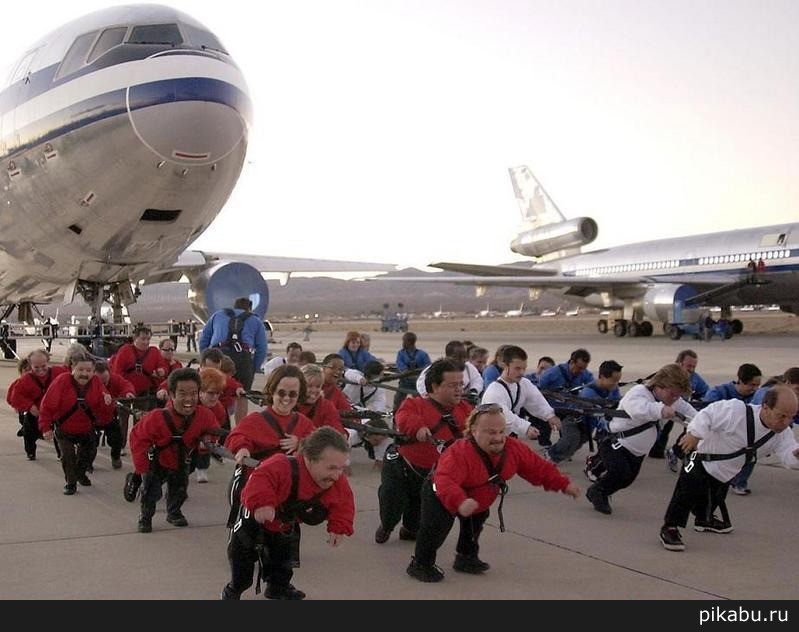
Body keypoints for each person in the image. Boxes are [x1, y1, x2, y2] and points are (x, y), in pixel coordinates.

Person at [406, 403, 580, 582]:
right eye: (491, 432)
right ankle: (421, 564)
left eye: (501, 431)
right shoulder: (459, 453)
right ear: (474, 431)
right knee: (435, 528)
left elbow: (539, 468)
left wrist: (563, 484)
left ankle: (465, 558)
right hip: (441, 495)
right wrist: (460, 501)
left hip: (476, 500)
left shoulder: (514, 449)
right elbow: (445, 480)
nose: (498, 437)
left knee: (475, 524)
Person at [659, 385, 799, 552]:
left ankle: (704, 520)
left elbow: (788, 457)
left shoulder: (782, 434)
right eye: (781, 416)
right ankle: (670, 527)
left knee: (713, 499)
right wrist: (694, 434)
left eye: (791, 417)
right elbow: (707, 414)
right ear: (765, 407)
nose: (786, 423)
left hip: (726, 471)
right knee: (686, 491)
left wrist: (796, 455)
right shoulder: (736, 411)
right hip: (700, 455)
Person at [221, 427, 355, 600]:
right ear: (310, 458)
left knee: (283, 564)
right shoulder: (281, 465)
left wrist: (338, 527)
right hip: (253, 521)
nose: (337, 475)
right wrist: (262, 504)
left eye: (341, 468)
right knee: (243, 568)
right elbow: (259, 479)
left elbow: (343, 503)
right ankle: (233, 590)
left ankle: (277, 588)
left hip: (284, 525)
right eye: (331, 468)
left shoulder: (336, 481)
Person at [375, 358, 473, 545]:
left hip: (432, 474)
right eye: (452, 385)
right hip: (403, 467)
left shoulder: (465, 410)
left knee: (418, 512)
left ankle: (409, 530)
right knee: (391, 500)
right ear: (435, 386)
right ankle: (387, 525)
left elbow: (477, 430)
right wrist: (418, 428)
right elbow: (403, 417)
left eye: (461, 384)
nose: (459, 389)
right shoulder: (415, 404)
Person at [585, 364, 697, 515]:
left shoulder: (673, 401)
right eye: (672, 394)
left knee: (628, 479)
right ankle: (597, 491)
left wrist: (702, 425)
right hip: (615, 443)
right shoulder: (639, 393)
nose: (674, 399)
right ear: (660, 385)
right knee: (620, 473)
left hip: (637, 451)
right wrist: (661, 410)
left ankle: (601, 486)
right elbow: (639, 410)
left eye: (678, 396)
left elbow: (691, 415)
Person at [129, 368, 220, 533]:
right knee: (151, 491)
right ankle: (145, 516)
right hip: (156, 461)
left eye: (193, 393)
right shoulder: (156, 417)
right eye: (182, 393)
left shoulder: (205, 415)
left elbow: (214, 431)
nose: (188, 399)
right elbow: (137, 439)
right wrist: (142, 469)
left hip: (181, 460)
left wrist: (207, 442)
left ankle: (174, 512)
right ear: (171, 394)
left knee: (179, 489)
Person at [224, 365, 316, 529]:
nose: (286, 398)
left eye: (293, 394)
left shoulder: (304, 423)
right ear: (272, 391)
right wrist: (242, 448)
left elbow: (318, 446)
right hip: (259, 487)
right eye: (281, 392)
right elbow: (236, 436)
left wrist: (301, 442)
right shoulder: (256, 420)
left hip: (288, 492)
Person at [39, 350, 115, 495]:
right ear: (72, 368)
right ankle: (71, 482)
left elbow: (106, 410)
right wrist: (45, 427)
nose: (84, 374)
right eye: (80, 369)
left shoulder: (97, 383)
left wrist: (107, 403)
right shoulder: (62, 381)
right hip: (64, 429)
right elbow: (47, 405)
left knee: (88, 453)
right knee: (68, 456)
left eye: (89, 370)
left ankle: (80, 474)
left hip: (86, 428)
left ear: (94, 371)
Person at [480, 345, 560, 444]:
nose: (522, 372)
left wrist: (550, 416)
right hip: (488, 439)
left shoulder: (524, 384)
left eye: (524, 368)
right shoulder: (494, 391)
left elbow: (536, 400)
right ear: (505, 366)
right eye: (517, 368)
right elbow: (503, 415)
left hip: (508, 437)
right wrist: (526, 428)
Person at [548, 359, 623, 464]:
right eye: (613, 380)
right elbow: (598, 412)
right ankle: (551, 455)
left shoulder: (613, 388)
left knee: (578, 443)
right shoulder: (588, 392)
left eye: (617, 381)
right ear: (601, 377)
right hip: (573, 420)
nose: (615, 384)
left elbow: (616, 404)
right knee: (571, 440)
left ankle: (560, 455)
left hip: (589, 423)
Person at [7, 349, 70, 460]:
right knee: (28, 431)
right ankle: (30, 452)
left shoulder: (59, 372)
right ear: (30, 365)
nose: (41, 370)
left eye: (43, 366)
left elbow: (72, 383)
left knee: (60, 432)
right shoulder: (25, 380)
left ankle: (61, 453)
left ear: (48, 361)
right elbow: (15, 397)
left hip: (56, 411)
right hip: (36, 412)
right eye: (36, 367)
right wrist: (30, 406)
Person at [651, 349, 710, 465]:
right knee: (659, 430)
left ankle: (681, 453)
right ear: (678, 363)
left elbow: (706, 392)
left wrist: (700, 401)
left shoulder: (696, 378)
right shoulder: (666, 375)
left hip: (681, 409)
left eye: (694, 367)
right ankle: (655, 450)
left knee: (692, 429)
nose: (691, 370)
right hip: (660, 409)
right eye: (688, 366)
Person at [199, 297, 267, 391]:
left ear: (234, 306)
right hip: (243, 360)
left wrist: (205, 360)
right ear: (249, 308)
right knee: (242, 395)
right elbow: (262, 349)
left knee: (214, 392)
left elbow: (203, 340)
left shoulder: (218, 315)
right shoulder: (256, 321)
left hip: (218, 357)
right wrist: (253, 368)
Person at [94, 360, 135, 470]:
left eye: (106, 381)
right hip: (92, 418)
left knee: (117, 440)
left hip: (109, 417)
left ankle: (115, 457)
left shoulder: (116, 379)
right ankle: (87, 463)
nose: (104, 384)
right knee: (89, 443)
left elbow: (126, 385)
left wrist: (128, 392)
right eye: (100, 382)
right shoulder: (88, 383)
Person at [394, 331, 432, 410]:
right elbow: (400, 365)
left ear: (409, 342)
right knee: (398, 401)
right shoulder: (401, 353)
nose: (403, 343)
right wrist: (407, 373)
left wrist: (418, 375)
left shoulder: (422, 354)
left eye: (404, 341)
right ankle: (395, 414)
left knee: (422, 401)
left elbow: (428, 368)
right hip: (405, 382)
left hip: (418, 383)